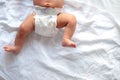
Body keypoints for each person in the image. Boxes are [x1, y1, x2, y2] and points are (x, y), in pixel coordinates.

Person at [4, 0, 77, 54]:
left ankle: (66, 39)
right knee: (23, 28)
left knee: (71, 19)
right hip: (37, 15)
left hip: (56, 15)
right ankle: (17, 46)